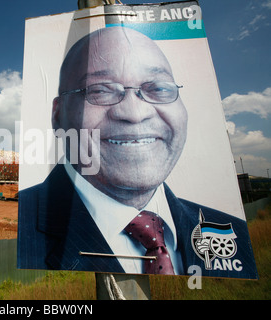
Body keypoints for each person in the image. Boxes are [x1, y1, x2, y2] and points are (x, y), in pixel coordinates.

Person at [17, 26, 257, 279]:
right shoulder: (19, 232)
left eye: (158, 88)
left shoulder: (234, 234)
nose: (134, 113)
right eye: (99, 90)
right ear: (58, 114)